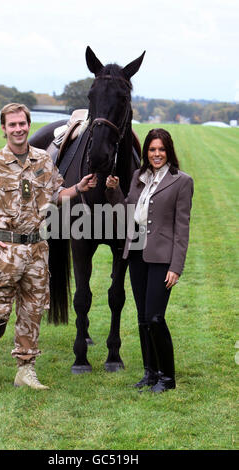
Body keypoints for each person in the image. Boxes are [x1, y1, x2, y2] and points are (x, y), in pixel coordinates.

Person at [0, 103, 97, 391]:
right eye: (12, 125)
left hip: (37, 251)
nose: (18, 129)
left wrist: (79, 189)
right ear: (4, 129)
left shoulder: (42, 160)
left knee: (32, 312)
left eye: (22, 123)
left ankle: (25, 370)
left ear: (28, 124)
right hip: (6, 252)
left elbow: (57, 192)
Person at [106, 128, 194, 393]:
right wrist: (113, 191)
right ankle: (150, 373)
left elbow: (182, 228)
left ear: (169, 151)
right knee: (143, 318)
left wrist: (176, 267)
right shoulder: (138, 176)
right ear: (146, 152)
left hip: (162, 258)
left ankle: (167, 378)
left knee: (156, 317)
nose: (156, 154)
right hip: (137, 253)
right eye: (152, 149)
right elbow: (127, 212)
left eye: (161, 150)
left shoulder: (181, 181)